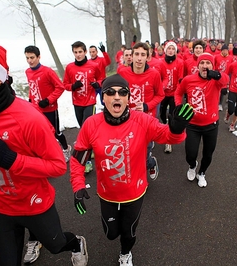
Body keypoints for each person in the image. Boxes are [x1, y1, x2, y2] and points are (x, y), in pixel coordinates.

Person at [0, 39, 88, 266]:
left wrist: (11, 160)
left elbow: (58, 165)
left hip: (34, 203)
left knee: (57, 244)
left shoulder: (28, 117)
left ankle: (76, 243)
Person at [70, 74, 193, 266]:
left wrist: (176, 129)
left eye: (122, 92)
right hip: (107, 193)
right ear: (103, 97)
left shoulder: (142, 120)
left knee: (128, 232)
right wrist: (77, 186)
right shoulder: (91, 125)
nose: (117, 96)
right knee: (111, 234)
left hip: (134, 193)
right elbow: (78, 160)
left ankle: (125, 253)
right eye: (110, 92)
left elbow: (169, 137)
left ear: (129, 98)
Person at [175, 53, 229, 188]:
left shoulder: (216, 80)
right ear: (198, 66)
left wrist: (217, 75)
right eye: (202, 63)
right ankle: (192, 166)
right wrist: (178, 106)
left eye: (208, 63)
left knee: (208, 153)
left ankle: (202, 173)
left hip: (211, 125)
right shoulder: (188, 80)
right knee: (190, 154)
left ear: (212, 65)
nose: (205, 66)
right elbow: (178, 92)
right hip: (192, 124)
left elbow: (226, 80)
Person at [118, 42, 165, 180]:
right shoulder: (122, 72)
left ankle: (150, 163)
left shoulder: (154, 74)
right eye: (136, 54)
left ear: (147, 57)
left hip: (146, 120)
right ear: (131, 56)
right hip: (127, 118)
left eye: (143, 55)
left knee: (144, 153)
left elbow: (160, 95)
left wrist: (147, 106)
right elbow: (118, 92)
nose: (139, 58)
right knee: (129, 151)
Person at [24, 45, 71, 163]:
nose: (30, 61)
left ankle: (66, 149)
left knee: (55, 133)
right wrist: (30, 100)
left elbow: (60, 87)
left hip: (50, 109)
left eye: (32, 57)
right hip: (36, 109)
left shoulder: (47, 71)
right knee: (41, 134)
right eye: (27, 58)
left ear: (39, 57)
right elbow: (32, 87)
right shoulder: (28, 72)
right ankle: (47, 156)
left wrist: (48, 100)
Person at [63, 41, 102, 173]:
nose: (78, 55)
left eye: (80, 52)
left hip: (90, 102)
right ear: (73, 53)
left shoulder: (94, 65)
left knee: (85, 131)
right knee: (83, 128)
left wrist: (97, 84)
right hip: (77, 103)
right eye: (76, 52)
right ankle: (92, 147)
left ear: (85, 52)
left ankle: (87, 162)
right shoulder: (69, 67)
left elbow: (102, 79)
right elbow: (65, 85)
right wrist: (73, 86)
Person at [160, 41, 184, 153]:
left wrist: (178, 92)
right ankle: (165, 127)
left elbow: (180, 79)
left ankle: (168, 141)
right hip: (163, 93)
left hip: (174, 93)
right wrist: (161, 87)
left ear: (175, 51)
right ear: (165, 50)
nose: (170, 51)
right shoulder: (161, 63)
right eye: (169, 49)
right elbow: (158, 78)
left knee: (172, 115)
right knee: (162, 114)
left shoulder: (179, 62)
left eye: (172, 49)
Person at [89, 43, 111, 107]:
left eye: (93, 52)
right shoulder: (88, 62)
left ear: (96, 52)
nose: (92, 54)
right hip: (93, 85)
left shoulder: (101, 60)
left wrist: (104, 52)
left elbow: (108, 62)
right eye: (90, 52)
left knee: (104, 101)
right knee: (91, 101)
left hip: (102, 84)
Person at [214, 44, 231, 111]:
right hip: (217, 76)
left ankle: (220, 104)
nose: (225, 52)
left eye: (226, 50)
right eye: (223, 50)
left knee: (223, 91)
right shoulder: (217, 57)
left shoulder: (230, 58)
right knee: (216, 91)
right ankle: (215, 103)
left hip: (225, 77)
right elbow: (214, 65)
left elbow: (231, 68)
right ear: (221, 51)